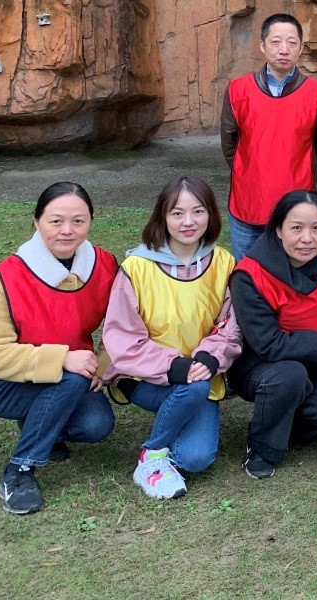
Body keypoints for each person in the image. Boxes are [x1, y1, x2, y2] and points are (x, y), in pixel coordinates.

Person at [0, 183, 118, 514]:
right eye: (55, 221)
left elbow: (120, 322)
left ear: (91, 221)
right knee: (72, 379)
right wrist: (62, 358)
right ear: (36, 221)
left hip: (71, 376)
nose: (67, 230)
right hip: (2, 383)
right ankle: (19, 470)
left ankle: (42, 426)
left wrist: (103, 362)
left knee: (96, 424)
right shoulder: (8, 277)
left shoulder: (104, 265)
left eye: (78, 221)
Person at [102, 177, 242, 499]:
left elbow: (231, 325)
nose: (188, 221)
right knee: (194, 387)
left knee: (196, 458)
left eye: (198, 211)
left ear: (211, 215)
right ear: (162, 217)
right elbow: (122, 337)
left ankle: (174, 427)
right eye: (177, 213)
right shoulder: (136, 267)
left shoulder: (224, 262)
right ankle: (151, 458)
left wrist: (210, 357)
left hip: (200, 374)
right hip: (143, 376)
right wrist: (174, 366)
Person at [227, 191, 317, 479]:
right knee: (290, 376)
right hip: (262, 363)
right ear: (278, 229)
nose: (307, 238)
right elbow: (269, 345)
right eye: (296, 228)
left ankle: (281, 424)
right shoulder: (249, 275)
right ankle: (262, 446)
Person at [221, 12, 317, 260]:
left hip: (296, 205)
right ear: (262, 46)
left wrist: (305, 174)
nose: (284, 49)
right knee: (247, 272)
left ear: (301, 48)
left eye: (291, 42)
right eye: (275, 42)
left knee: (294, 271)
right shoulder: (238, 90)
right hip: (247, 201)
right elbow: (230, 144)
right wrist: (247, 171)